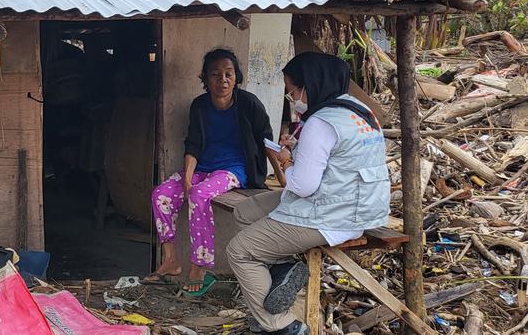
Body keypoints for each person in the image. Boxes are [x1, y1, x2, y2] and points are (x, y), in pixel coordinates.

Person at [226, 52, 390, 335]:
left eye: (292, 89)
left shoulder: (321, 123)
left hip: (328, 215)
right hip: (356, 205)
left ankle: (282, 326)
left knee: (240, 251)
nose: (292, 96)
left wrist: (286, 160)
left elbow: (302, 185)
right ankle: (283, 270)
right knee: (245, 212)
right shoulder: (358, 110)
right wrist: (298, 150)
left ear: (311, 84)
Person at [145, 49, 273, 295]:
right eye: (215, 74)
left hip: (233, 169)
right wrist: (186, 178)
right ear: (205, 78)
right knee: (161, 194)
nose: (223, 80)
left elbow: (267, 142)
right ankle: (171, 260)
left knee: (200, 195)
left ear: (236, 77)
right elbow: (192, 144)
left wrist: (281, 177)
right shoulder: (200, 106)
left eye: (228, 74)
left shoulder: (248, 104)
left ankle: (199, 266)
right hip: (202, 167)